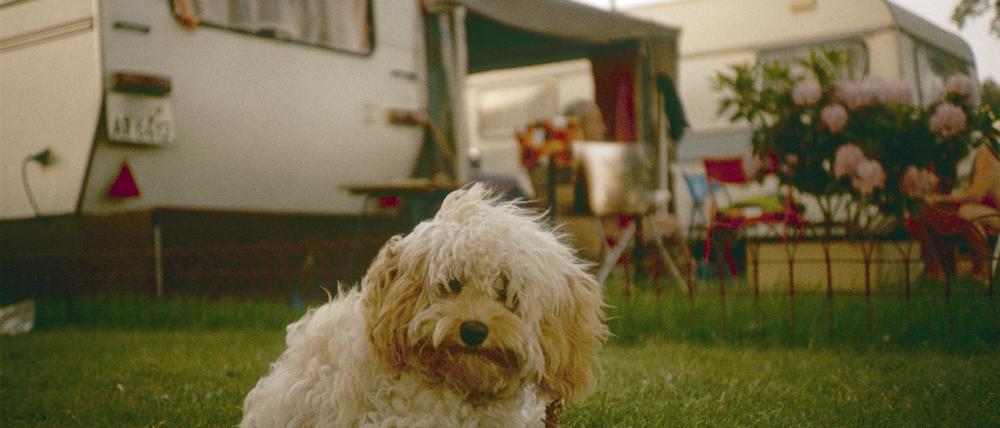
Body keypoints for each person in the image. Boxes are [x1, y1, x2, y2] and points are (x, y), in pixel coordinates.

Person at [910, 144, 1000, 281]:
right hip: (967, 206)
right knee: (924, 214)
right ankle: (938, 270)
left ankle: (981, 271)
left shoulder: (984, 153)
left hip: (992, 211)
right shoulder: (953, 153)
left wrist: (939, 199)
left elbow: (976, 195)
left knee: (962, 213)